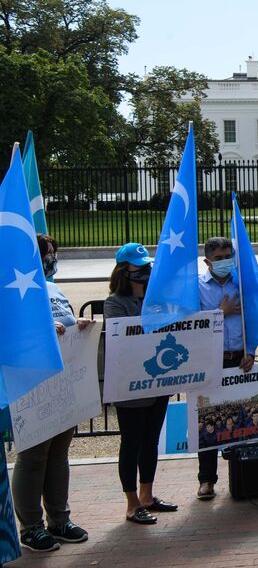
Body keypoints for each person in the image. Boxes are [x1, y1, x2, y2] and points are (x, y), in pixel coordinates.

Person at [12, 235, 92, 552]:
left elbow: (64, 321)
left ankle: (60, 519)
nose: (53, 259)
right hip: (33, 386)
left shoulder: (54, 289)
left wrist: (78, 325)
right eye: (48, 254)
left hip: (63, 385)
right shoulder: (14, 293)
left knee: (58, 455)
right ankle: (31, 526)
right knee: (33, 458)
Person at [105, 243, 178, 525]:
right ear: (125, 272)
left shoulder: (156, 299)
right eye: (140, 268)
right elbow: (126, 337)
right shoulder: (115, 303)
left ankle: (147, 495)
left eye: (148, 267)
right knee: (132, 442)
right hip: (131, 385)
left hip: (157, 381)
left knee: (150, 441)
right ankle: (132, 502)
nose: (146, 272)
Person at [195, 237, 255, 500]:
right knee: (209, 420)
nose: (224, 262)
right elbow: (190, 325)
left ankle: (242, 475)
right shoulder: (196, 287)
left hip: (239, 359)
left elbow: (254, 318)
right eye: (218, 258)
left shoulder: (242, 283)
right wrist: (221, 313)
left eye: (228, 257)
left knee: (240, 419)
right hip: (211, 361)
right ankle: (207, 480)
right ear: (207, 261)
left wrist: (250, 353)